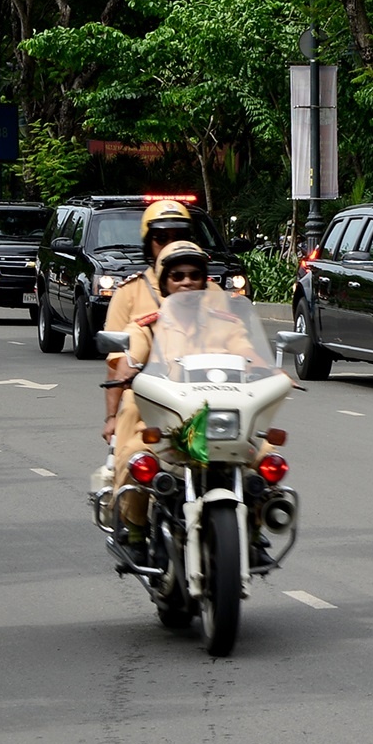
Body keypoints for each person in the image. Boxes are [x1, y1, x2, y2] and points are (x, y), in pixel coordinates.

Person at [107, 241, 278, 557]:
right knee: (136, 458)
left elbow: (248, 352)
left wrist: (270, 371)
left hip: (220, 415)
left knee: (266, 457)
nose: (186, 282)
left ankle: (254, 530)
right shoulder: (147, 325)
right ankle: (133, 530)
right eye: (178, 275)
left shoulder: (226, 322)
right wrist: (123, 381)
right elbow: (129, 359)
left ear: (204, 281)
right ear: (165, 284)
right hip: (166, 421)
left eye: (194, 275)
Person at [101, 199, 210, 442]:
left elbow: (241, 344)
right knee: (132, 432)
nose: (186, 283)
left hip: (209, 393)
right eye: (162, 237)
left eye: (180, 236)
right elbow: (119, 361)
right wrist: (112, 416)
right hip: (151, 400)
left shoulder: (214, 297)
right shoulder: (132, 296)